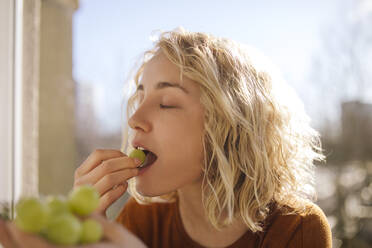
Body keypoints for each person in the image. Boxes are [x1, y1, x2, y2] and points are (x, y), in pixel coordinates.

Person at [0, 28, 332, 248]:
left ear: (229, 125)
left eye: (166, 103)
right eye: (139, 97)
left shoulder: (296, 229)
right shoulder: (140, 220)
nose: (134, 120)